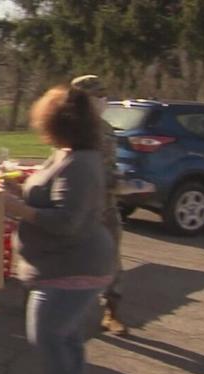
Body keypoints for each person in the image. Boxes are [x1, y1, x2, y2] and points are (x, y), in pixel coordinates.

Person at [3, 84, 117, 374]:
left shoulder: (80, 164)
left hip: (72, 268)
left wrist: (19, 209)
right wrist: (19, 190)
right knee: (66, 339)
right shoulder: (63, 154)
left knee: (48, 338)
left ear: (59, 124)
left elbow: (68, 221)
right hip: (60, 266)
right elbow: (51, 197)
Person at [71, 74, 128, 335]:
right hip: (78, 207)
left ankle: (111, 312)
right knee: (71, 259)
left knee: (111, 257)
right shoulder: (69, 130)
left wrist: (119, 181)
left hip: (106, 205)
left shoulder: (105, 129)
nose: (103, 101)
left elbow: (109, 166)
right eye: (97, 96)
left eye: (104, 96)